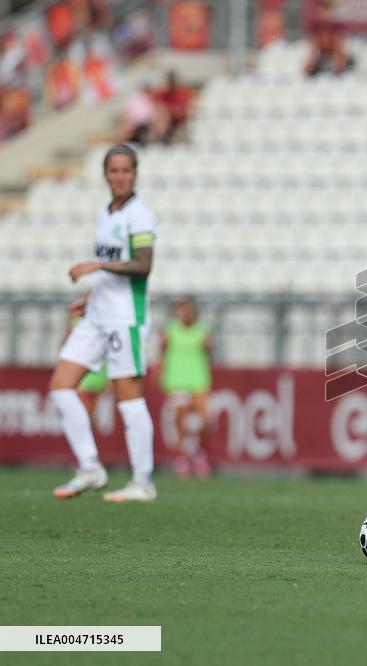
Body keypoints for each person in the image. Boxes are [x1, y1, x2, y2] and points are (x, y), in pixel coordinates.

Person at [49, 144, 159, 503]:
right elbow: (113, 265)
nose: (120, 176)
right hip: (98, 315)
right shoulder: (104, 213)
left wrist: (96, 267)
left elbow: (142, 265)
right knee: (62, 386)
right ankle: (90, 468)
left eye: (126, 170)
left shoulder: (140, 215)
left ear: (135, 174)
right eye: (114, 170)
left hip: (125, 318)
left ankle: (143, 481)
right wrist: (91, 296)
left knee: (128, 398)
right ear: (105, 174)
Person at [159, 296, 213, 480]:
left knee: (206, 420)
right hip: (177, 379)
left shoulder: (202, 331)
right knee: (181, 419)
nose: (183, 314)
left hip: (198, 379)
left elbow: (209, 353)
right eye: (180, 310)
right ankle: (182, 459)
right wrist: (160, 371)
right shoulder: (170, 330)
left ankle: (196, 452)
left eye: (185, 310)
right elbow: (163, 352)